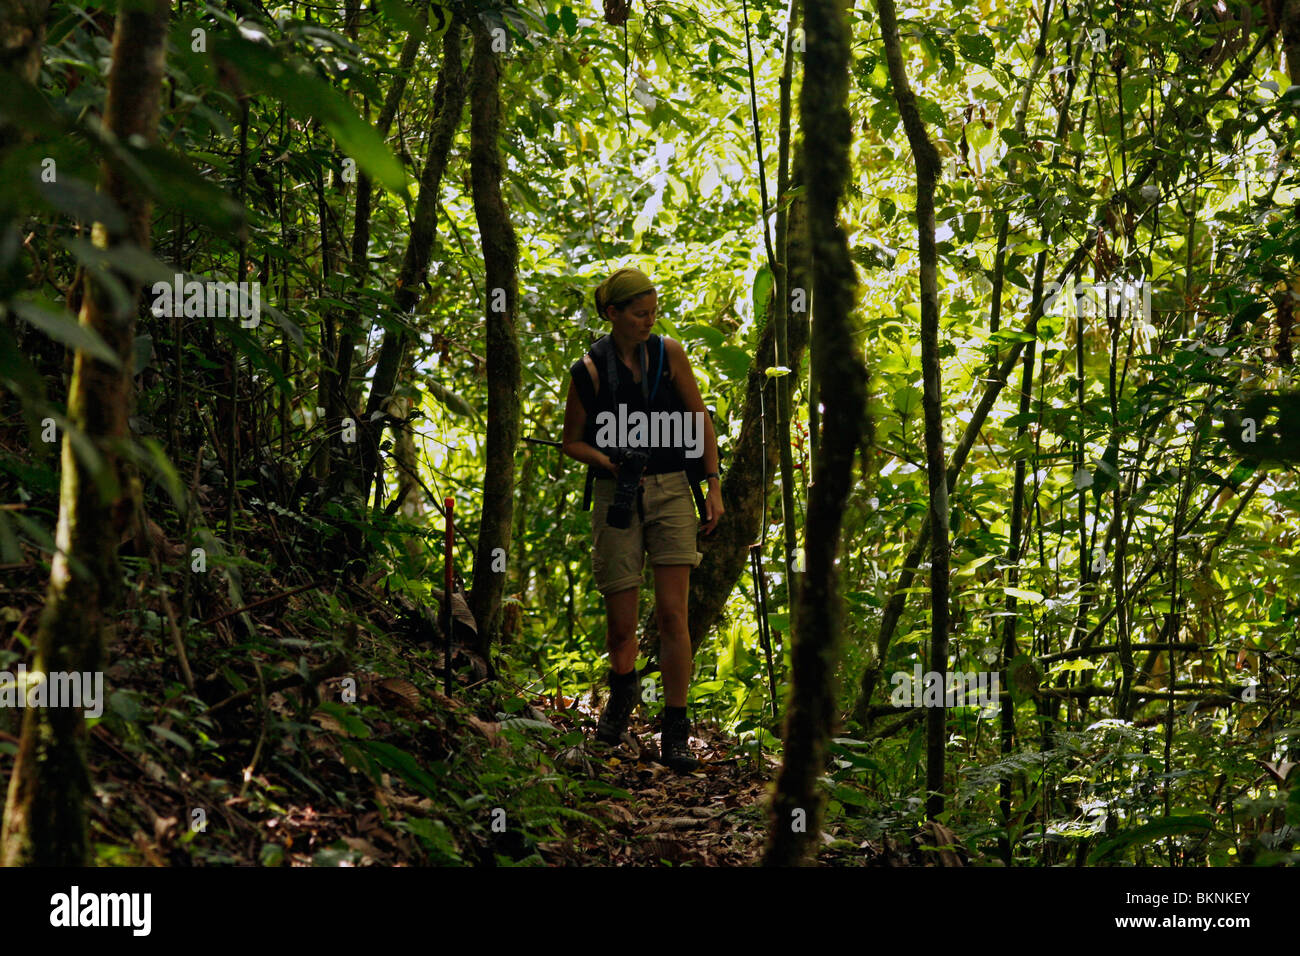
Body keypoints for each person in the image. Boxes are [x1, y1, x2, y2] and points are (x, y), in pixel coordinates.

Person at [561, 266, 723, 772]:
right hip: (617, 493)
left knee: (675, 615)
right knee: (621, 624)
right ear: (613, 314)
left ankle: (676, 727)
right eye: (639, 313)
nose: (649, 321)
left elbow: (699, 418)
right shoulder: (588, 369)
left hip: (672, 485)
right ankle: (623, 691)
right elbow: (572, 441)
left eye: (653, 312)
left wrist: (712, 484)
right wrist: (608, 461)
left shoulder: (669, 353)